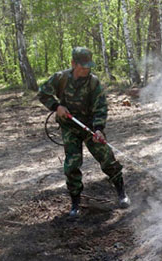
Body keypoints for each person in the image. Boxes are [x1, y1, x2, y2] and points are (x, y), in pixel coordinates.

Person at [37, 46, 130, 216]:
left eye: (89, 66)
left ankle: (121, 192)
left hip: (90, 127)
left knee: (107, 158)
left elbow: (100, 107)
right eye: (83, 66)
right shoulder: (61, 78)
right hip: (69, 127)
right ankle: (75, 203)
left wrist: (99, 129)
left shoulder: (94, 83)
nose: (86, 69)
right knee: (72, 165)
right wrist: (57, 106)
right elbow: (42, 93)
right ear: (73, 64)